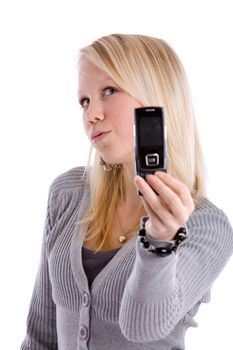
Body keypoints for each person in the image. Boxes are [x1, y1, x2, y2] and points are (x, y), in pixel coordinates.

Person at [20, 33, 233, 350]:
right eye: (85, 101)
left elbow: (142, 327)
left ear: (157, 99)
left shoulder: (206, 227)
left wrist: (159, 243)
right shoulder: (67, 193)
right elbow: (41, 334)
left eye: (109, 90)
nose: (91, 114)